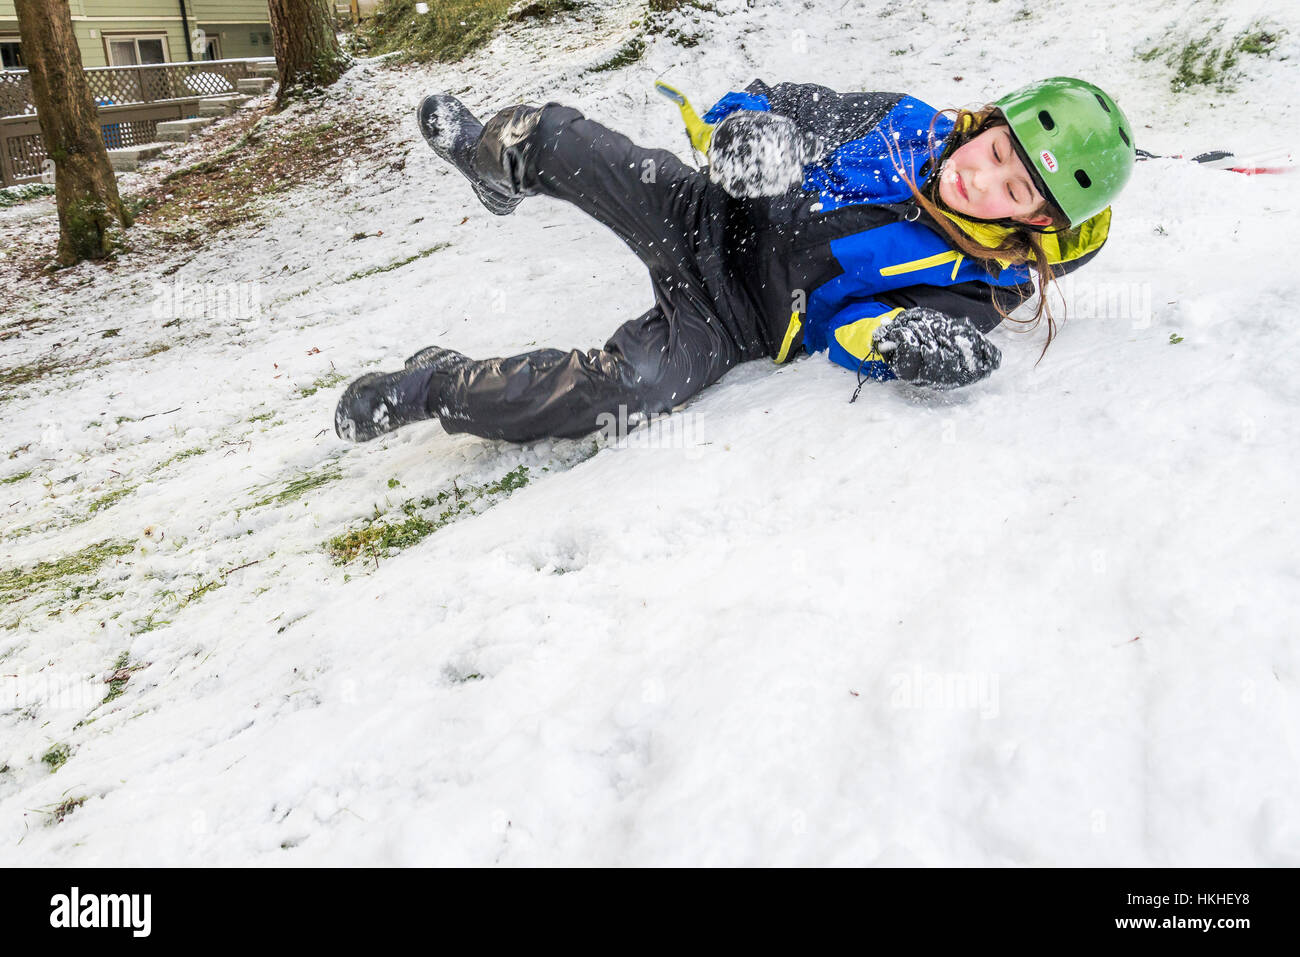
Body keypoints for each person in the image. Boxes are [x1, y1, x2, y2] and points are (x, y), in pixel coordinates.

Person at [333, 76, 1135, 444]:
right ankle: (488, 158)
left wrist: (894, 342)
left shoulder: (976, 283)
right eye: (997, 149)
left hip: (738, 318)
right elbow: (784, 101)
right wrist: (749, 130)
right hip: (711, 214)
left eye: (1013, 188)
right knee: (554, 137)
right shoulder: (903, 123)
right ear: (989, 121)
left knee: (626, 386)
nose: (981, 177)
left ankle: (435, 383)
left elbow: (851, 324)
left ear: (1037, 221)